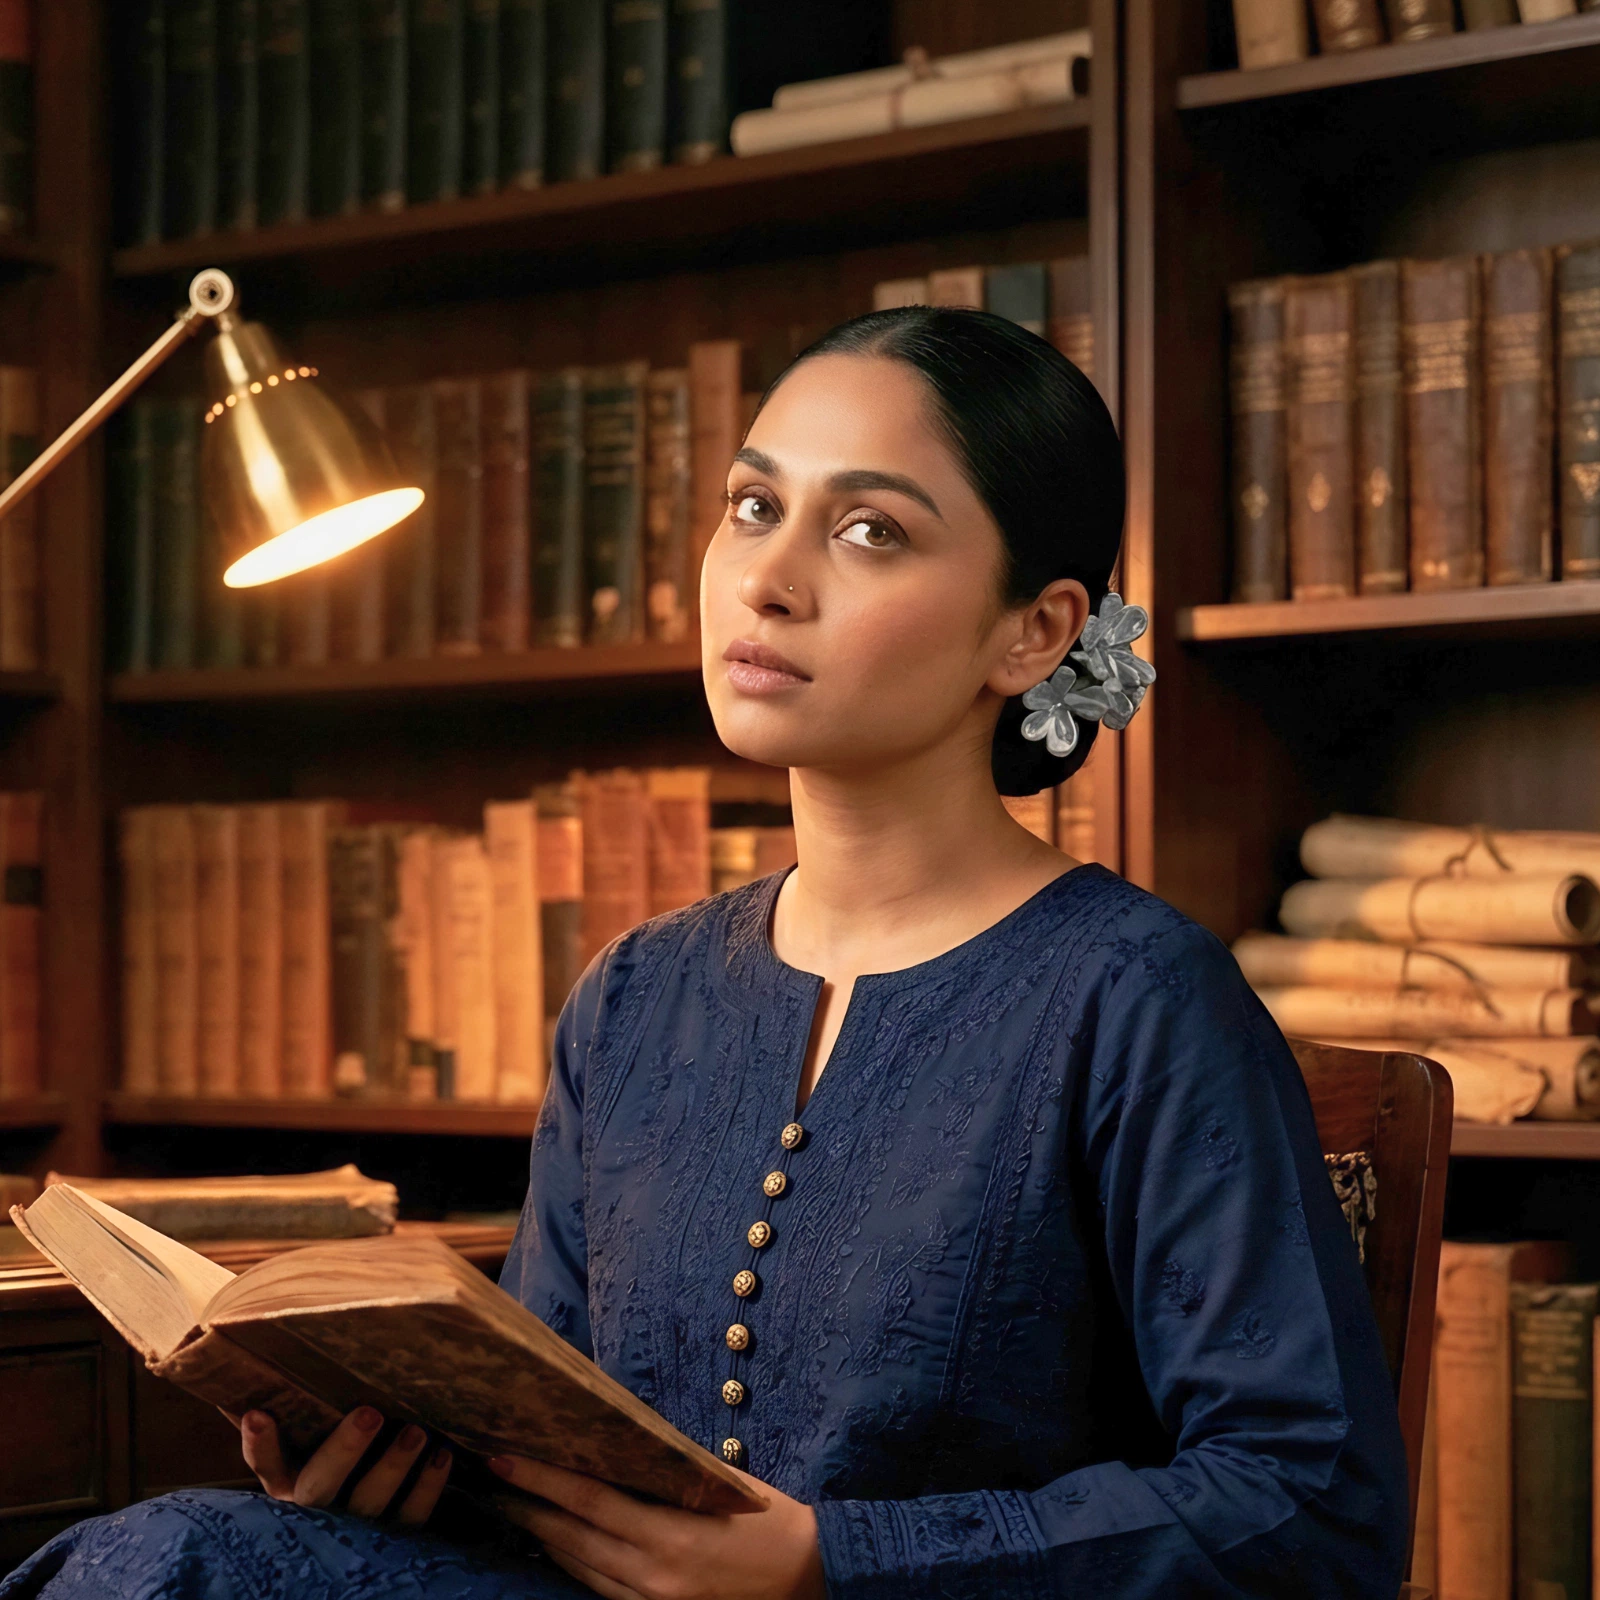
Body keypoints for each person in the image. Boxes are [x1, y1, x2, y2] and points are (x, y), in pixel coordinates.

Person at [3, 307, 1410, 1600]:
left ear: (1032, 633)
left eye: (870, 533)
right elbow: (543, 1441)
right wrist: (386, 1471)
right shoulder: (633, 995)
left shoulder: (1136, 996)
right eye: (753, 507)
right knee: (173, 1560)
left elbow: (1305, 1506)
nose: (771, 580)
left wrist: (831, 1565)